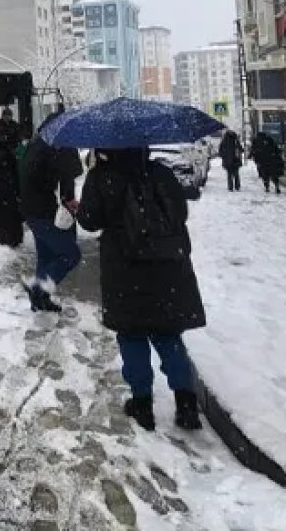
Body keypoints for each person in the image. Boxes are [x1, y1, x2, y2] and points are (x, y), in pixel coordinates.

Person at [76, 147, 206, 432]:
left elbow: (89, 220)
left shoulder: (102, 178)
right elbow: (180, 213)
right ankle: (186, 404)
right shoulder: (161, 173)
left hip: (125, 269)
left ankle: (142, 404)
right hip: (167, 266)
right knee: (168, 335)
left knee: (132, 335)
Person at [19, 121, 84, 312]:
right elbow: (69, 174)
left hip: (31, 210)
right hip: (43, 212)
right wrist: (68, 199)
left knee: (45, 257)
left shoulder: (37, 144)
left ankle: (39, 301)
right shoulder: (55, 148)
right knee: (71, 254)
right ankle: (38, 289)